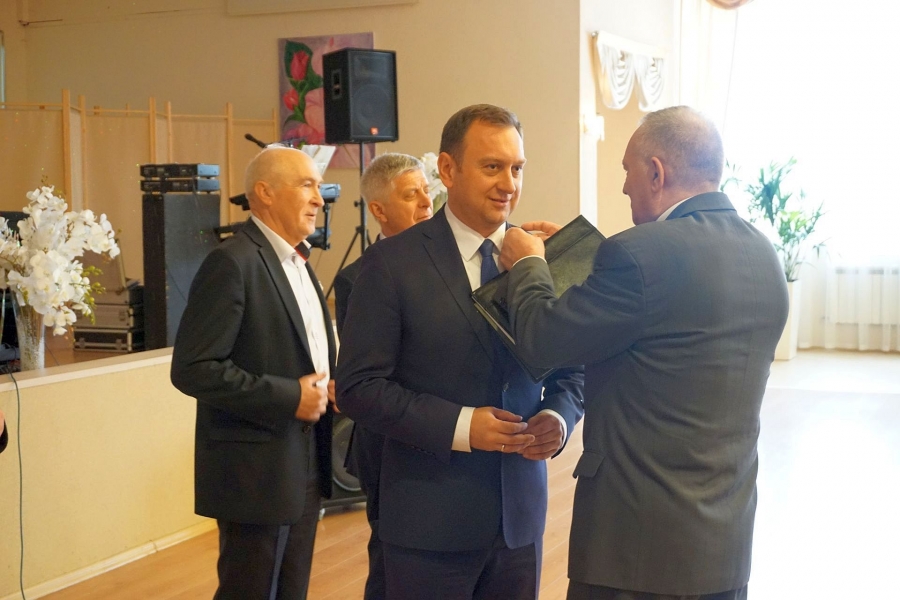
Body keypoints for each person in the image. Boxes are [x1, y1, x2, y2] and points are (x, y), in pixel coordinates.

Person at [498, 106, 789, 600]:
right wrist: (579, 259)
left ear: (656, 172)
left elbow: (542, 340)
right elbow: (665, 316)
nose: (624, 187)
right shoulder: (764, 254)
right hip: (723, 548)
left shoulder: (638, 253)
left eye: (627, 170)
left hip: (634, 550)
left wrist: (528, 264)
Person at [336, 104, 585, 600]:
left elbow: (571, 371)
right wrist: (462, 426)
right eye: (492, 167)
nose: (508, 184)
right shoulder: (390, 264)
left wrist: (558, 418)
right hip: (428, 523)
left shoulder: (539, 260)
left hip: (520, 521)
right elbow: (359, 389)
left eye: (517, 169)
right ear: (448, 170)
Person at [171, 146, 336, 600]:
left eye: (319, 187)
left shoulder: (301, 263)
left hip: (305, 459)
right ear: (264, 192)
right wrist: (290, 396)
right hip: (255, 472)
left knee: (291, 591)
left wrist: (330, 384)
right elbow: (193, 368)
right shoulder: (232, 262)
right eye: (306, 185)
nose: (319, 199)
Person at [333, 152, 433, 600]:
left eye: (427, 191)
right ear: (379, 209)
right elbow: (367, 376)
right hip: (389, 437)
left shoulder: (449, 262)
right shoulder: (357, 278)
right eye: (411, 195)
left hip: (438, 430)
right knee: (390, 556)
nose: (426, 203)